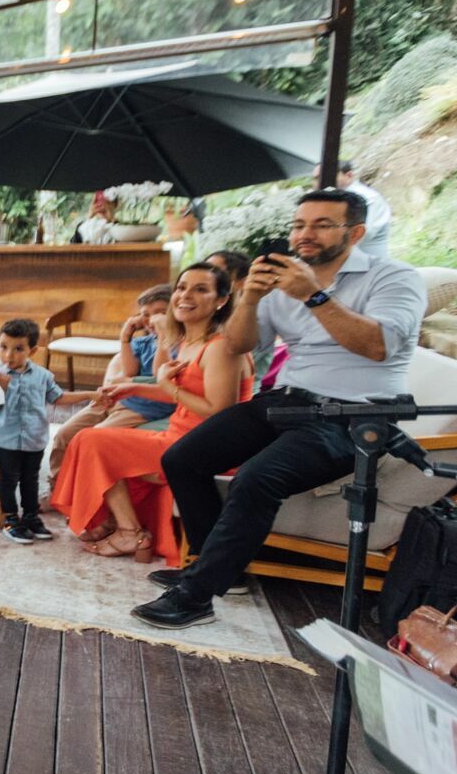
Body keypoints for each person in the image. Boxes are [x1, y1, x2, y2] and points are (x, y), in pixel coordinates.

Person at [134, 189, 427, 628]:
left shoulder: (394, 278)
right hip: (287, 402)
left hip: (353, 416)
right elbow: (237, 345)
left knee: (256, 478)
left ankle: (196, 596)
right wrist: (249, 298)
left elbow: (378, 345)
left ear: (357, 232)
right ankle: (216, 569)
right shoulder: (282, 282)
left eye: (322, 224)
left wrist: (313, 296)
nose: (304, 234)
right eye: (298, 224)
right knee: (182, 458)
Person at [56, 263, 249, 567]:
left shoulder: (221, 346)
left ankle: (129, 532)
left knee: (93, 442)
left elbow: (219, 413)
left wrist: (163, 385)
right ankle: (122, 526)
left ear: (221, 300)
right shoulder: (189, 341)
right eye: (182, 287)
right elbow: (186, 395)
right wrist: (132, 388)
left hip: (201, 447)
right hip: (179, 436)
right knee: (91, 440)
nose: (186, 296)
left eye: (201, 289)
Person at [0, 318, 106, 543]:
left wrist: (89, 395)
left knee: (30, 480)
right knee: (8, 479)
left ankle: (31, 516)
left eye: (18, 349)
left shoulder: (43, 376)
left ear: (32, 350)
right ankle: (11, 519)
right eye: (3, 347)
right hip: (6, 438)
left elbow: (58, 397)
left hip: (35, 438)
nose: (9, 355)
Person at [46, 283, 174, 475]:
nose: (151, 319)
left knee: (92, 439)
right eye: (145, 314)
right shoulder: (143, 342)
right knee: (64, 434)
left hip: (144, 408)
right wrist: (125, 338)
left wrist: (164, 335)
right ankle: (57, 487)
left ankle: (84, 493)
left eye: (160, 313)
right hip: (115, 399)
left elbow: (159, 375)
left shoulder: (177, 345)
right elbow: (129, 371)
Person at [337, 160, 395, 259]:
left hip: (369, 266)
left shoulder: (366, 197)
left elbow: (363, 234)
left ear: (348, 175)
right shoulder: (339, 197)